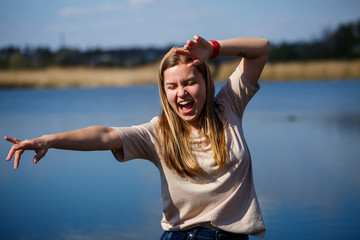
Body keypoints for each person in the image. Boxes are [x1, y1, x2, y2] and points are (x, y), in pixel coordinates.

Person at [5, 35, 270, 239]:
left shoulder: (228, 107)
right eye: (172, 86)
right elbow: (105, 135)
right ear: (164, 91)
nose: (182, 92)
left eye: (190, 82)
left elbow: (261, 49)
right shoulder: (158, 132)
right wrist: (48, 140)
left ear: (205, 82)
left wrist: (213, 48)